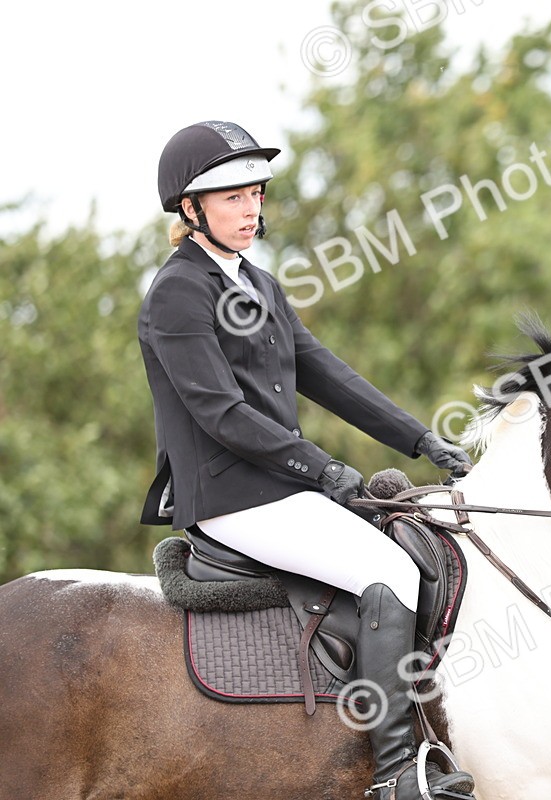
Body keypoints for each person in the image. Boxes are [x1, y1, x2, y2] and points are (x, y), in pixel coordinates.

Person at [139, 120, 475, 800]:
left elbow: (327, 374)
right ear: (191, 209)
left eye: (255, 194)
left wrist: (420, 439)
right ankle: (393, 778)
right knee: (388, 570)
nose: (250, 210)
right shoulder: (179, 293)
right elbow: (221, 413)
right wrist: (320, 469)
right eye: (232, 198)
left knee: (423, 543)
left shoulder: (258, 283)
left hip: (281, 490)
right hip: (232, 497)